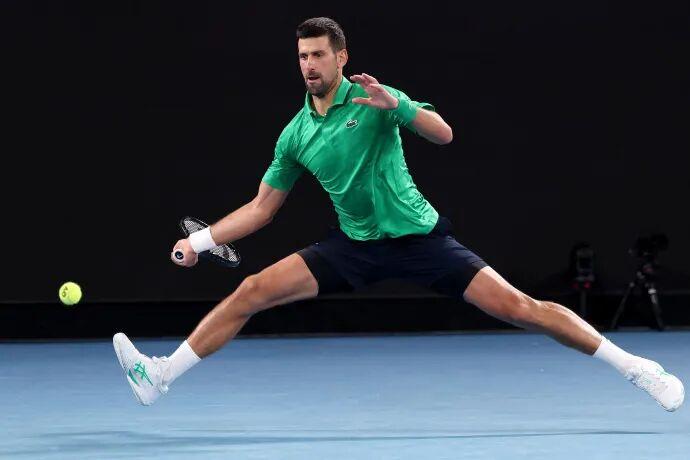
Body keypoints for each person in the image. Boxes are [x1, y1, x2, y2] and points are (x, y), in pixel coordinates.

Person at [113, 17, 684, 411]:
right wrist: (202, 241)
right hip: (354, 247)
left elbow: (444, 133)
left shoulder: (376, 98)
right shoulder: (295, 133)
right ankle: (160, 376)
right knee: (251, 291)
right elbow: (263, 208)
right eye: (302, 56)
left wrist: (400, 106)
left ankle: (636, 367)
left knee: (523, 309)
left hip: (421, 240)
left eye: (318, 55)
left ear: (341, 57)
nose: (309, 64)